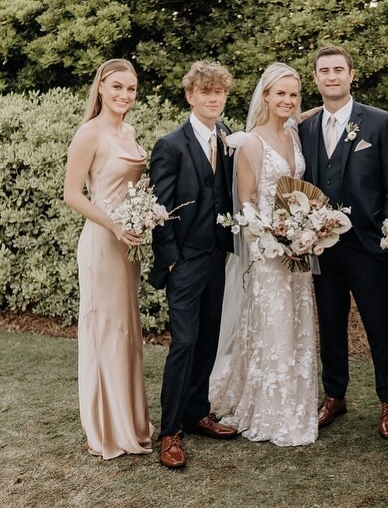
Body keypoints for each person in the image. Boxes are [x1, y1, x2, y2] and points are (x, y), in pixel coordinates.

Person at [209, 62, 318, 446]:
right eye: (280, 93)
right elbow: (246, 204)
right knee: (274, 327)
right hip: (269, 250)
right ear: (266, 96)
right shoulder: (250, 142)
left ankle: (295, 402)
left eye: (293, 94)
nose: (287, 100)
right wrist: (276, 239)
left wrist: (305, 233)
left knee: (297, 324)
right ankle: (271, 409)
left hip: (298, 248)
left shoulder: (294, 134)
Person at [298, 46, 388, 437]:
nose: (331, 76)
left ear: (351, 74)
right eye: (324, 71)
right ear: (316, 78)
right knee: (330, 324)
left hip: (367, 245)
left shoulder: (379, 123)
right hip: (322, 247)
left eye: (338, 70)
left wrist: (384, 234)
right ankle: (335, 395)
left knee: (379, 326)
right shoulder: (305, 128)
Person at [62, 58, 154, 460]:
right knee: (106, 331)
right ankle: (106, 430)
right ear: (101, 87)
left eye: (130, 89)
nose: (124, 95)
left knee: (127, 331)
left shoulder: (129, 132)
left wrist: (145, 213)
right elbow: (72, 194)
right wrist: (114, 225)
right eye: (117, 86)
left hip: (127, 245)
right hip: (102, 243)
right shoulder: (89, 133)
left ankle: (130, 422)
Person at [149, 61, 238, 469]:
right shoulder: (170, 145)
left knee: (208, 339)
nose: (213, 98)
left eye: (219, 92)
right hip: (184, 261)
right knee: (184, 342)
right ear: (190, 96)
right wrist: (170, 260)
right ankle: (170, 431)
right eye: (206, 92)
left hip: (217, 257)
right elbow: (160, 207)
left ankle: (197, 412)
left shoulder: (226, 135)